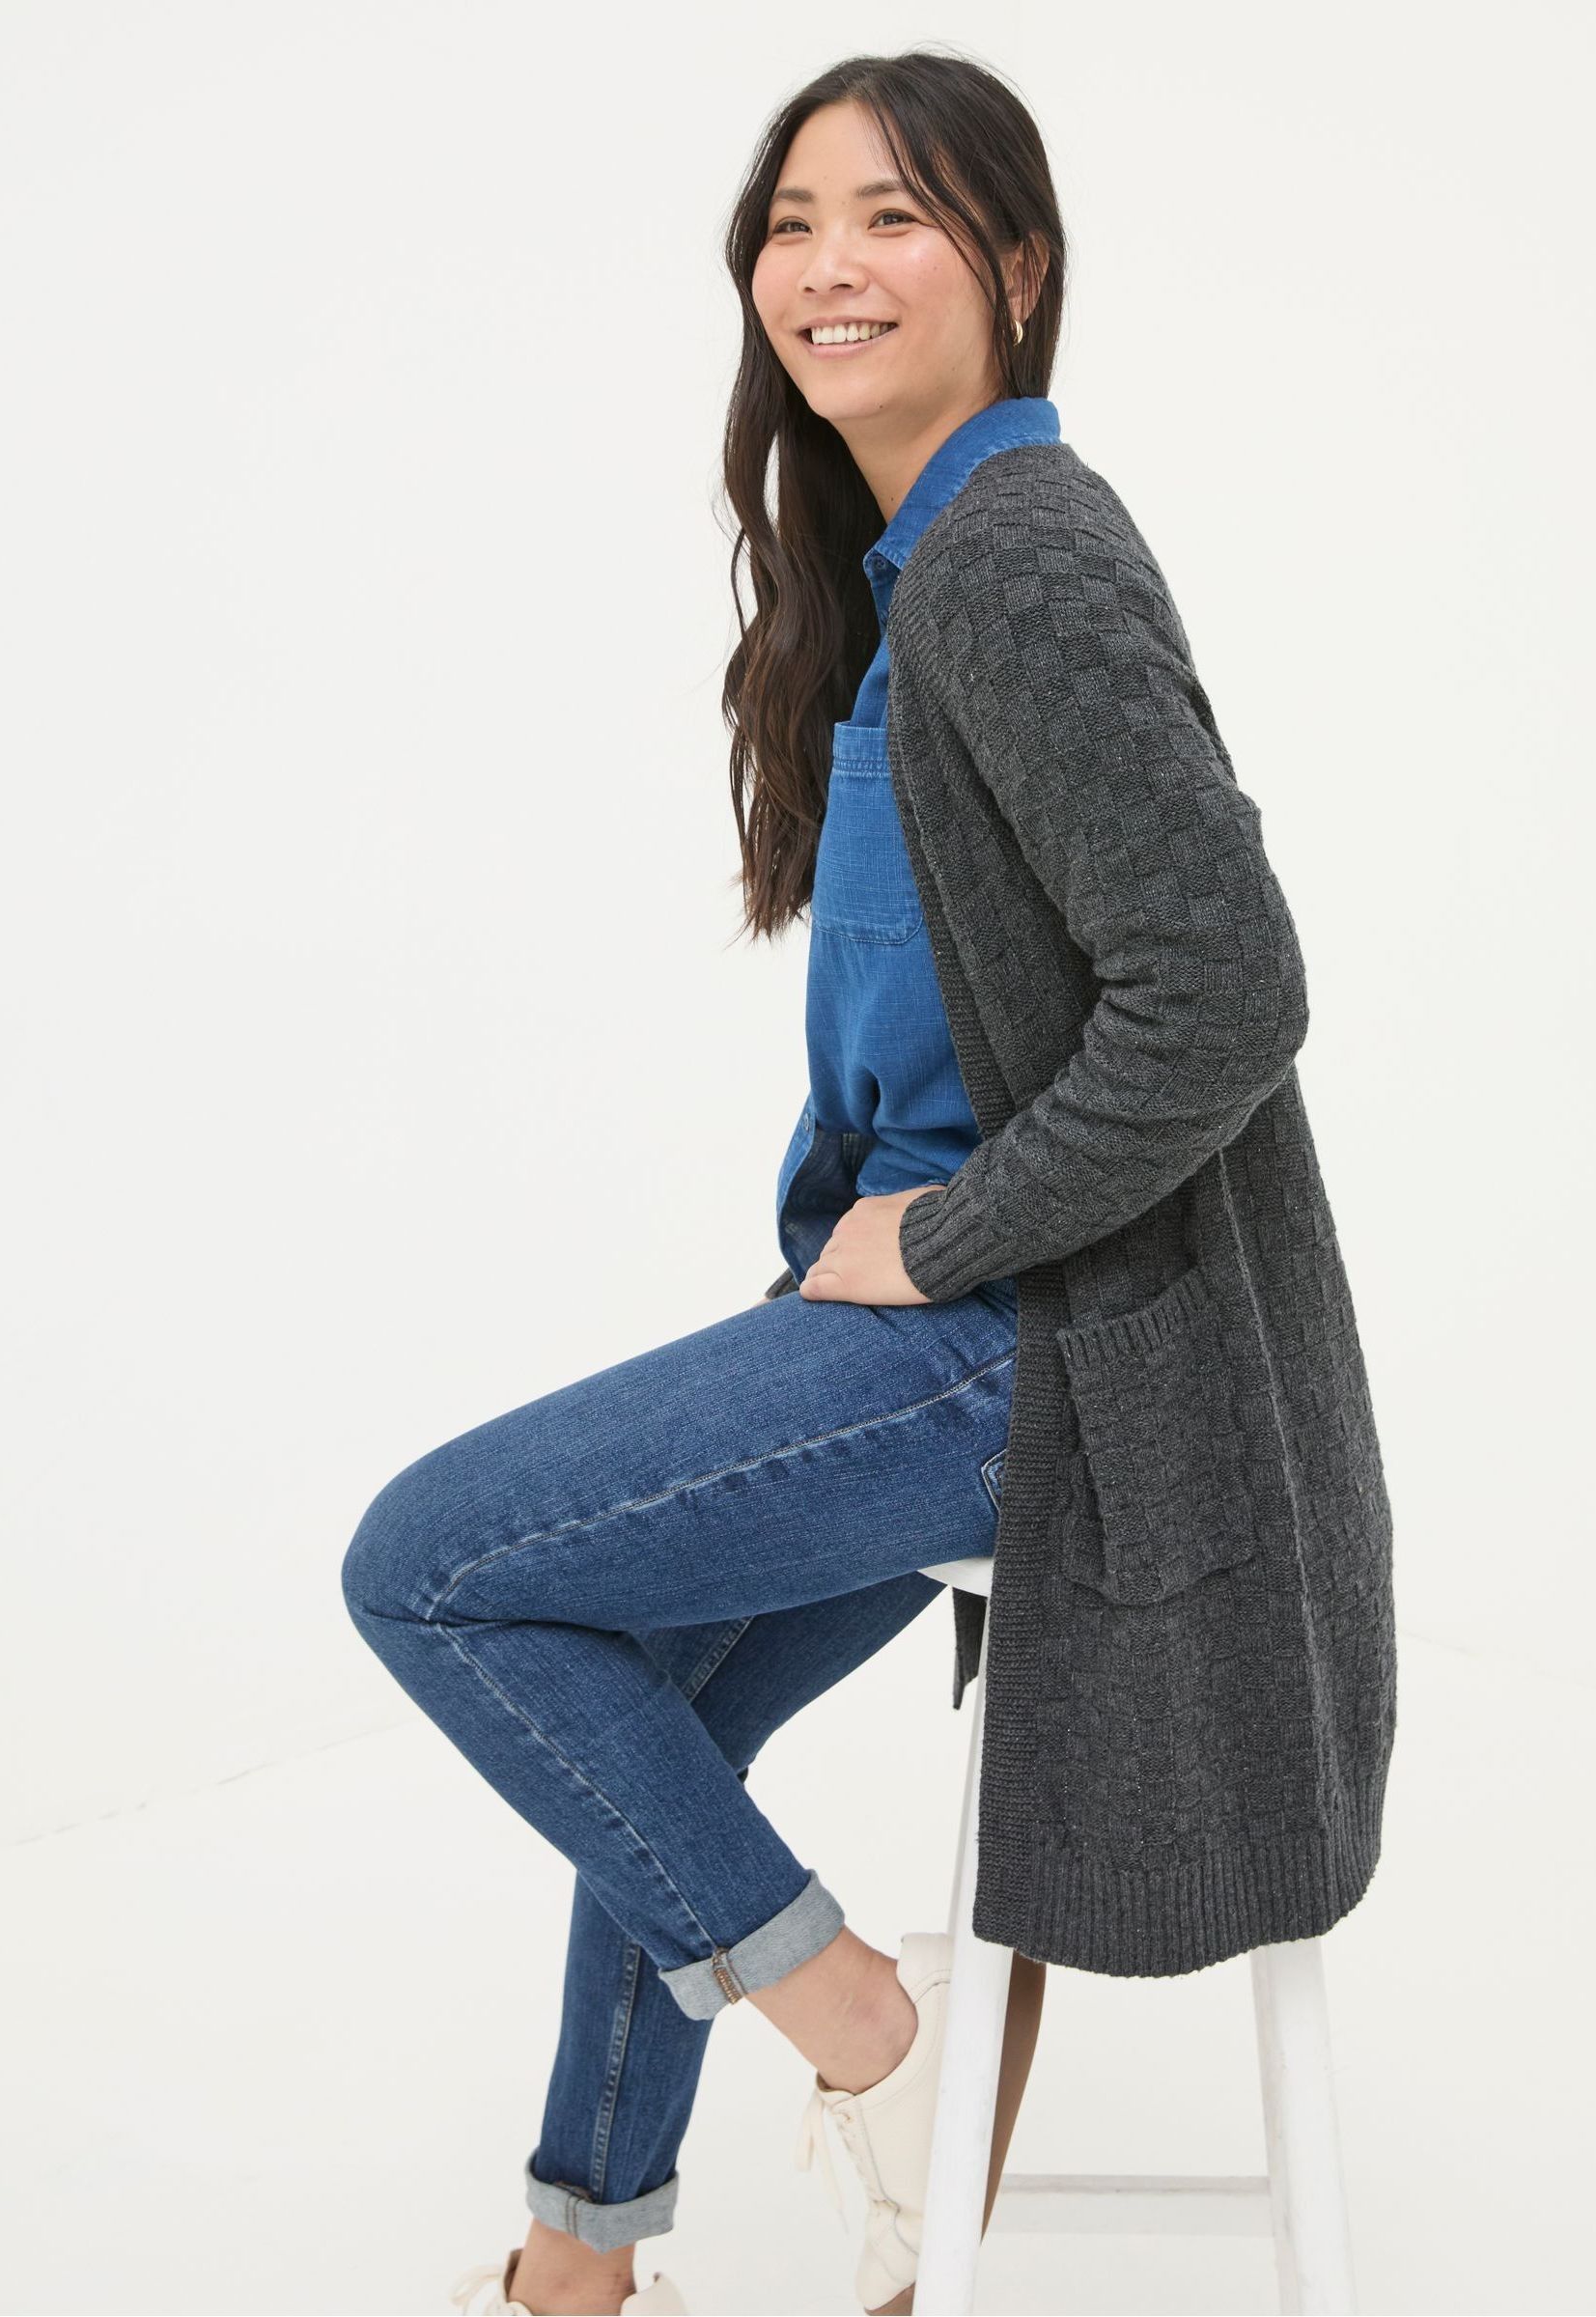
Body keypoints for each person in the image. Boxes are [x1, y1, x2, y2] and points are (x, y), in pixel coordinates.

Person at [344, 42, 1397, 2317]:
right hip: (934, 1314)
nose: (827, 264)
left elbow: (1228, 990)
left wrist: (953, 1237)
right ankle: (577, 2269)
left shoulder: (1017, 553)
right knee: (653, 1692)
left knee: (431, 1567)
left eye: (894, 215)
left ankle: (867, 2041)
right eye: (793, 220)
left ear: (1015, 267)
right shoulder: (919, 574)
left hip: (1037, 1350)